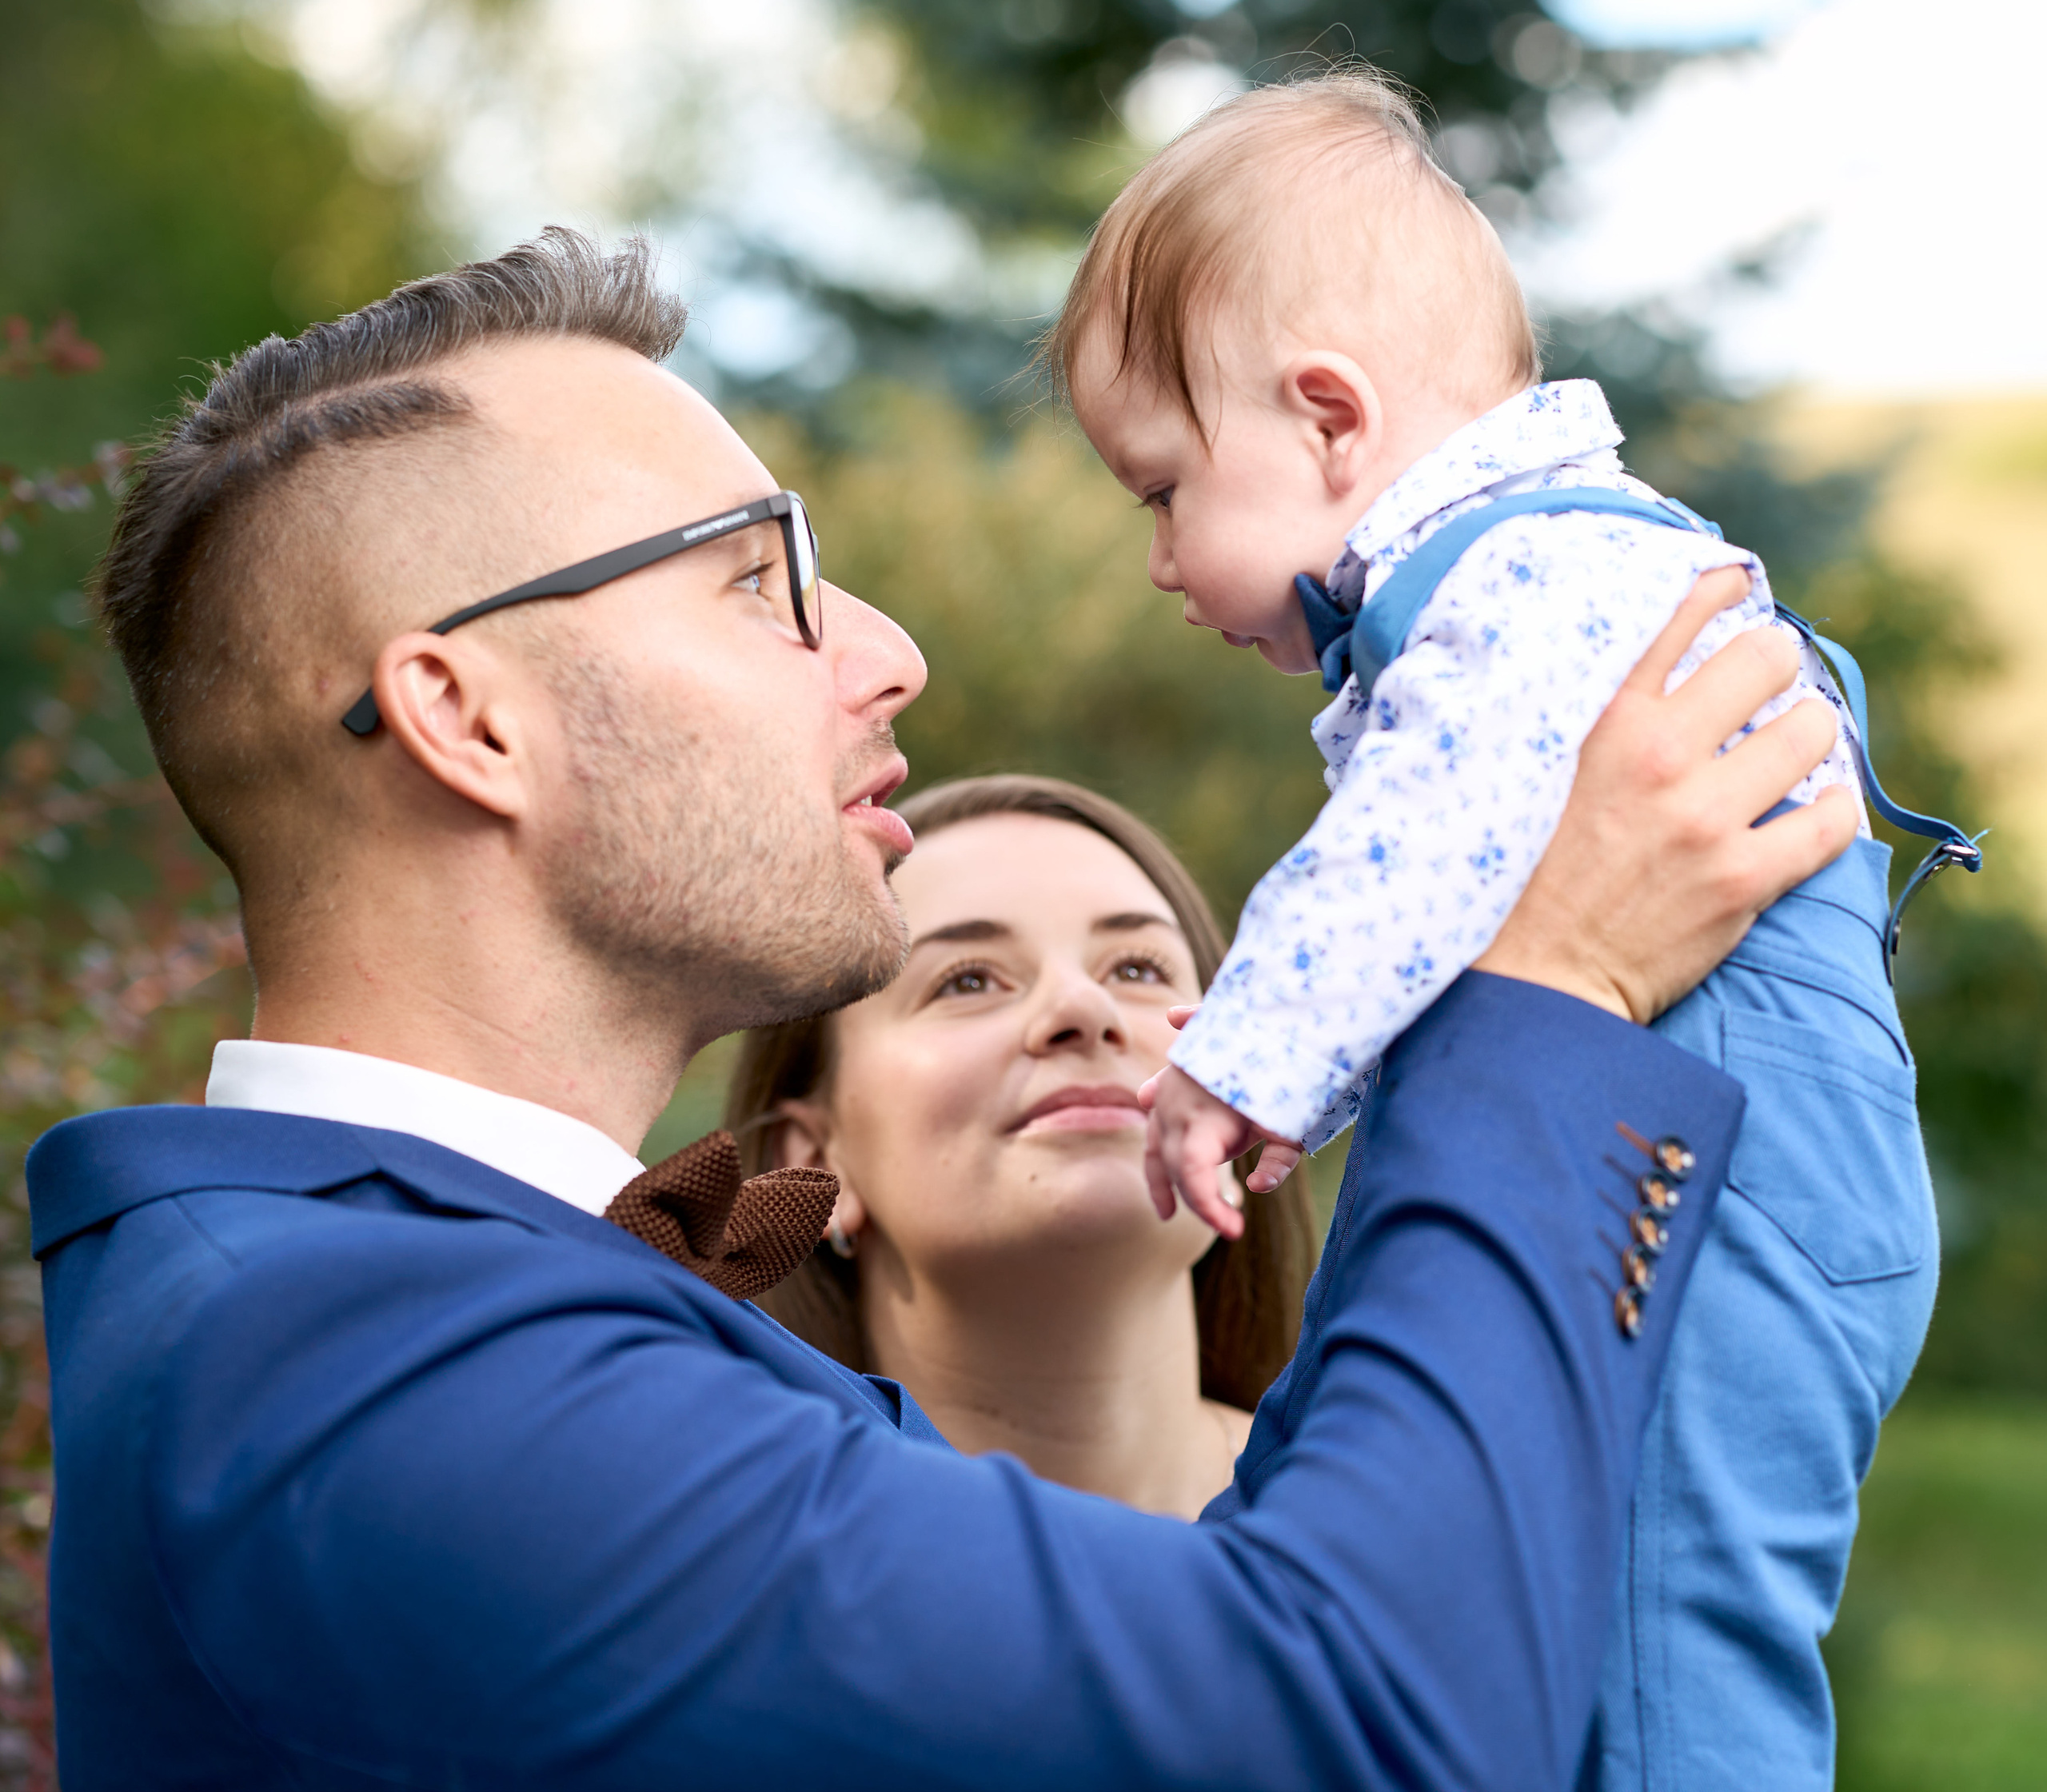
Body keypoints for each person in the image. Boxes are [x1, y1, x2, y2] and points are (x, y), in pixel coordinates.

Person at [26, 229, 1853, 1790]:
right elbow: (1349, 1718)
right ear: (469, 719)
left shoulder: (358, 1315)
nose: (889, 654)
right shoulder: (360, 1378)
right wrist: (1547, 991)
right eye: (757, 582)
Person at [1051, 68, 1962, 1790]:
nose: (1161, 558)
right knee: (1335, 1468)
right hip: (1678, 1154)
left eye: (1160, 490)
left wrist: (1242, 1061)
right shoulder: (1541, 568)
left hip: (1710, 1191)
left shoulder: (1519, 579)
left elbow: (1408, 845)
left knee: (1658, 1624)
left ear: (1328, 419)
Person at [732, 774, 1318, 1519]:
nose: (1083, 1007)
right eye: (967, 979)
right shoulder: (717, 1564)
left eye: (1138, 968)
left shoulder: (1426, 1535)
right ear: (811, 1163)